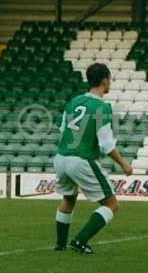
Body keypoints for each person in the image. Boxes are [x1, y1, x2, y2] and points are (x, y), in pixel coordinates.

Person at [53, 63, 132, 254]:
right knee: (111, 204)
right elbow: (106, 145)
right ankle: (80, 241)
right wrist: (123, 163)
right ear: (105, 81)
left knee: (69, 198)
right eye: (110, 79)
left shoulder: (73, 102)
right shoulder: (102, 106)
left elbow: (62, 130)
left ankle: (60, 245)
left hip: (61, 157)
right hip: (80, 159)